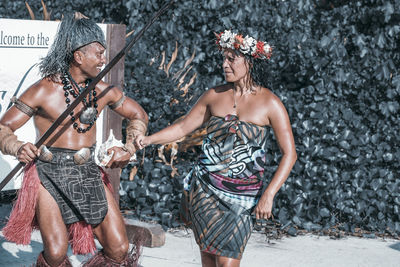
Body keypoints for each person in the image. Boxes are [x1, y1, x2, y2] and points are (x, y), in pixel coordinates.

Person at [135, 30, 297, 267]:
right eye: (224, 58)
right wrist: (148, 140)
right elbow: (182, 128)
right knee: (210, 261)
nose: (225, 64)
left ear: (249, 61)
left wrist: (269, 194)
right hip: (205, 190)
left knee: (227, 262)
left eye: (232, 59)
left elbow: (289, 154)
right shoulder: (214, 95)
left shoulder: (270, 102)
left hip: (243, 197)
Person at [0, 13, 148, 266]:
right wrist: (17, 146)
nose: (104, 59)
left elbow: (138, 114)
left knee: (118, 247)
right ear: (78, 56)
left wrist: (129, 146)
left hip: (88, 172)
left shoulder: (103, 91)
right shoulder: (43, 90)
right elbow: (3, 127)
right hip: (48, 174)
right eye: (98, 53)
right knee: (56, 253)